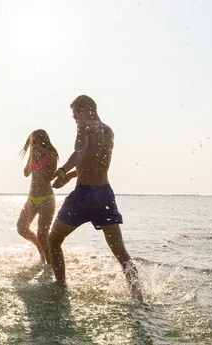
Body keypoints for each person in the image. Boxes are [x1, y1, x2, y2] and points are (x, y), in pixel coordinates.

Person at [49, 95, 143, 301]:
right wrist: (70, 176)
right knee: (121, 253)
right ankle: (139, 298)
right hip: (105, 195)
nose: (76, 120)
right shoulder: (109, 131)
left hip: (84, 194)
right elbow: (93, 162)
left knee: (53, 240)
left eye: (76, 116)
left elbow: (80, 153)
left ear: (85, 109)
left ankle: (60, 288)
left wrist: (63, 170)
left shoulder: (85, 127)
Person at [17, 129, 59, 264]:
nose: (33, 145)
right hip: (32, 198)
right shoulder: (33, 154)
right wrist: (32, 159)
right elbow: (26, 173)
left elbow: (50, 176)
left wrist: (41, 159)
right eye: (31, 142)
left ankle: (49, 263)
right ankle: (41, 250)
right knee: (21, 228)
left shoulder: (51, 154)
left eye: (34, 141)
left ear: (42, 140)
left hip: (47, 199)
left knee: (42, 234)